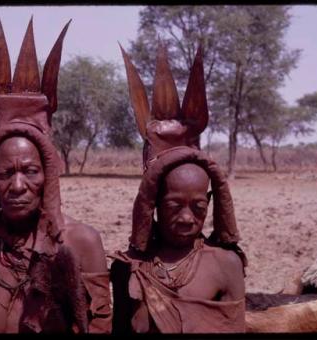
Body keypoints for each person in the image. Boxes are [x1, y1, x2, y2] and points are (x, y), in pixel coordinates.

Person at [0, 17, 111, 333]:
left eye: (30, 171)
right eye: (5, 174)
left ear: (48, 176)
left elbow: (100, 328)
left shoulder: (82, 242)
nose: (17, 186)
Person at [110, 43, 247, 333]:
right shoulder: (127, 268)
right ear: (154, 204)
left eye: (198, 208)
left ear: (210, 202)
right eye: (174, 206)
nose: (187, 218)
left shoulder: (227, 265)